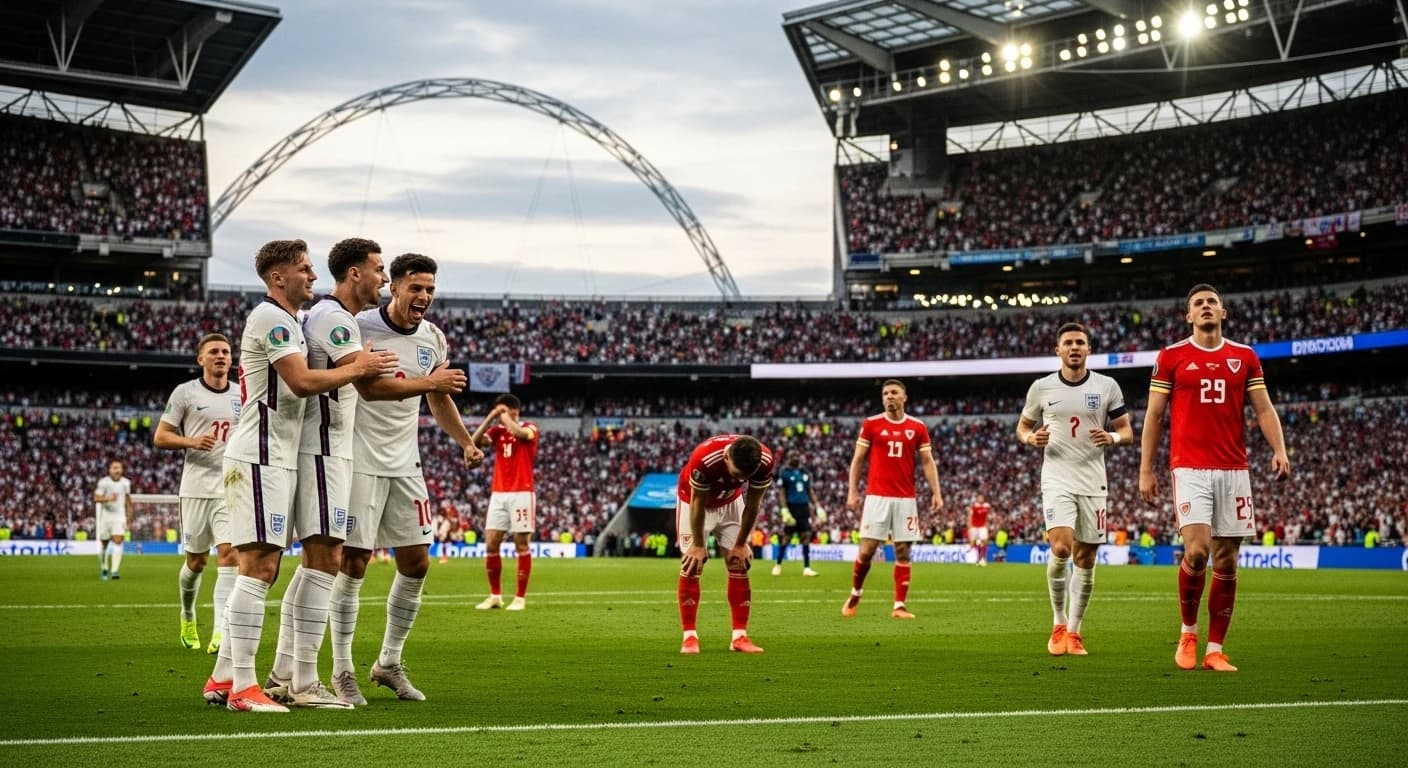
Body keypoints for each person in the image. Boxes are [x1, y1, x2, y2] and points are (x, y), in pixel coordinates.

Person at [201, 239, 397, 714]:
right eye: (304, 270)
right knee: (261, 566)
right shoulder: (271, 318)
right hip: (260, 455)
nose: (312, 276)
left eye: (311, 269)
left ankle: (228, 676)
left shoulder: (288, 320)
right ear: (278, 278)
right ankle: (249, 687)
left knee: (270, 565)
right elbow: (302, 382)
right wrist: (363, 367)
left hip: (280, 455)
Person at [328, 252, 482, 703]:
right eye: (416, 288)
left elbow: (438, 401)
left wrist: (465, 441)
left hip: (404, 462)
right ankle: (341, 670)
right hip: (358, 460)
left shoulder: (434, 338)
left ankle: (389, 662)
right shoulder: (362, 328)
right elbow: (369, 389)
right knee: (353, 563)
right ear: (393, 287)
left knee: (416, 562)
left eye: (430, 289)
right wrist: (431, 384)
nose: (424, 297)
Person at [265, 237, 390, 708]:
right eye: (379, 269)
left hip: (323, 448)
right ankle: (303, 681)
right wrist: (432, 382)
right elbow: (365, 379)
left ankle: (284, 671)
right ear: (355, 273)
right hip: (322, 449)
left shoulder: (328, 317)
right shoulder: (336, 318)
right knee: (325, 559)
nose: (384, 278)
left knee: (316, 561)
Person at [1139, 284, 1291, 673]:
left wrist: (1279, 449)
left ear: (1223, 313)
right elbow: (1155, 416)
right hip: (1188, 467)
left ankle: (1215, 649)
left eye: (1211, 302)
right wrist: (1146, 469)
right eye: (1198, 304)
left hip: (1234, 469)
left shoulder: (1244, 357)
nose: (1205, 307)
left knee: (1227, 558)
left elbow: (1264, 409)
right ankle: (1188, 633)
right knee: (1197, 551)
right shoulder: (1171, 357)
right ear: (1188, 316)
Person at [1016, 322, 1133, 656]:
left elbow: (1126, 431)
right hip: (1056, 477)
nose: (1074, 347)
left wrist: (1111, 437)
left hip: (1093, 480)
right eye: (1068, 343)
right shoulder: (1041, 387)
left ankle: (1075, 631)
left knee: (1086, 556)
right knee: (1062, 547)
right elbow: (1023, 427)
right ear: (1058, 350)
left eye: (1080, 342)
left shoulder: (1107, 386)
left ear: (1088, 349)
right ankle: (1058, 620)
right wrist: (1030, 437)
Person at [154, 332, 240, 652]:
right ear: (200, 359)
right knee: (197, 562)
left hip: (231, 488)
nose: (221, 356)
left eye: (226, 352)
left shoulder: (242, 394)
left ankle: (221, 632)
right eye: (214, 352)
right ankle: (188, 614)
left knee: (229, 556)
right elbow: (161, 437)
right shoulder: (185, 393)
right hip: (195, 488)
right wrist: (191, 441)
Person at [843, 380, 943, 619]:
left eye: (894, 393)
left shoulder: (917, 427)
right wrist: (852, 492)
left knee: (903, 551)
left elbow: (927, 462)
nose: (889, 396)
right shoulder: (871, 424)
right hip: (876, 497)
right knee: (867, 550)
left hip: (906, 498)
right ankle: (856, 592)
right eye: (885, 393)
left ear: (904, 397)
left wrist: (936, 492)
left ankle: (899, 605)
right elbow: (858, 460)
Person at [676, 434, 775, 654]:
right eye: (736, 474)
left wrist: (741, 543)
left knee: (739, 562)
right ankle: (689, 637)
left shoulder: (764, 461)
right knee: (693, 564)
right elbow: (698, 503)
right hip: (693, 502)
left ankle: (739, 637)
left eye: (744, 477)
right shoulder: (704, 458)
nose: (740, 479)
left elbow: (753, 503)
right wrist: (699, 545)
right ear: (727, 456)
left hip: (731, 502)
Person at [470, 393, 540, 611]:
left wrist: (506, 417)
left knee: (521, 543)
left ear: (514, 411)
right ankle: (495, 596)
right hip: (498, 493)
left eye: (503, 411)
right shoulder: (497, 432)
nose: (500, 416)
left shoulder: (530, 427)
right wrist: (491, 417)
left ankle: (519, 598)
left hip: (522, 492)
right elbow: (473, 442)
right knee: (491, 542)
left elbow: (521, 433)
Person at [772, 454, 819, 577]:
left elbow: (810, 491)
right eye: (793, 457)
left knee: (806, 536)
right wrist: (784, 509)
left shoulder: (805, 473)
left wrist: (817, 506)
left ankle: (807, 568)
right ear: (789, 459)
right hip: (791, 507)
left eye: (797, 457)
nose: (796, 458)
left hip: (804, 508)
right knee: (787, 537)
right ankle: (778, 564)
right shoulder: (785, 473)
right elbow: (781, 492)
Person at [93, 459, 133, 580]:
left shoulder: (126, 483)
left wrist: (129, 516)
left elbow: (127, 500)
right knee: (104, 543)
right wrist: (108, 498)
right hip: (106, 516)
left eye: (119, 468)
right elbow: (96, 498)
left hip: (119, 516)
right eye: (114, 468)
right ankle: (104, 567)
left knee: (118, 540)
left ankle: (114, 570)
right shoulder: (103, 482)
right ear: (110, 470)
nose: (117, 470)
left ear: (122, 469)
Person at [967, 494, 992, 567]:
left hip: (982, 527)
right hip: (974, 527)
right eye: (979, 498)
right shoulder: (974, 506)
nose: (980, 499)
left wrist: (987, 525)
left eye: (982, 498)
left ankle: (983, 559)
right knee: (975, 543)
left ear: (983, 499)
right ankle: (978, 558)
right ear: (977, 499)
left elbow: (987, 516)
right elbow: (970, 515)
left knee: (984, 541)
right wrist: (969, 526)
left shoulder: (987, 506)